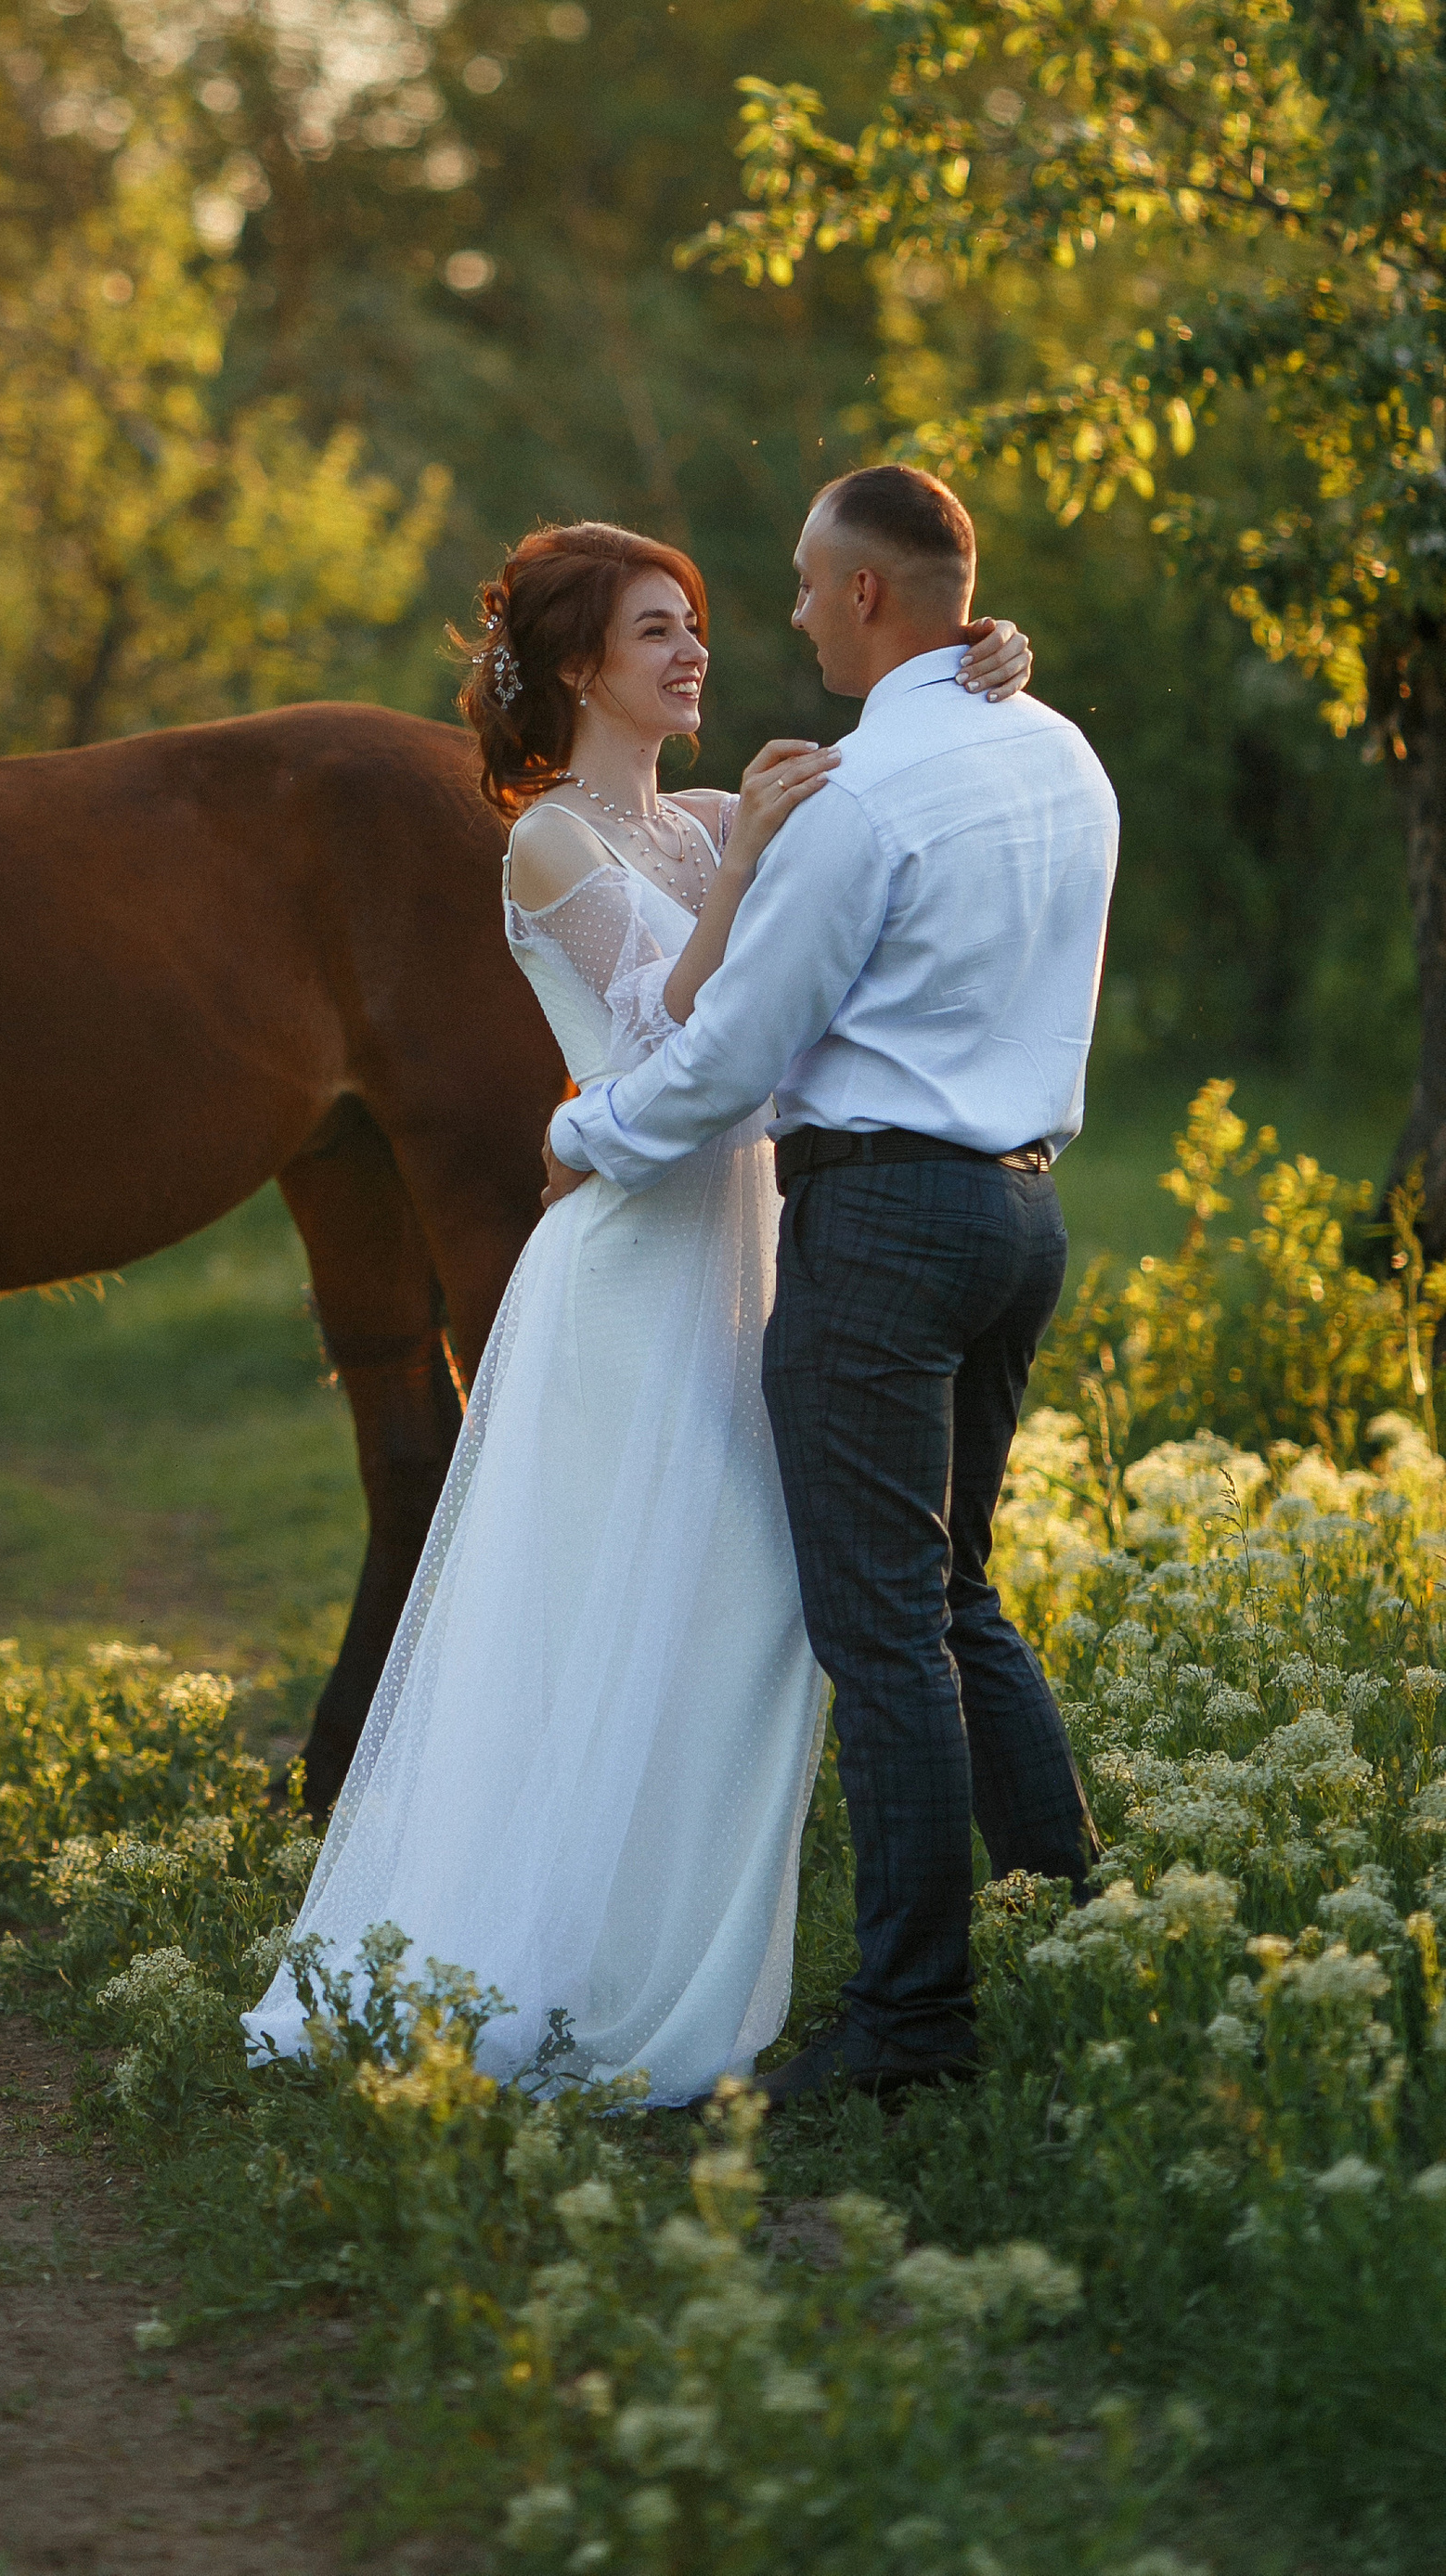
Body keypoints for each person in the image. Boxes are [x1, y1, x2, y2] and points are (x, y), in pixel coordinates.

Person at [240, 516, 1038, 2102]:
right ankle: (541, 1964)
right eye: (659, 631)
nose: (697, 654)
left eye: (699, 624)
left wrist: (988, 664)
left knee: (731, 1612)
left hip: (745, 1240)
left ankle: (676, 1950)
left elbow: (882, 829)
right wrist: (743, 868)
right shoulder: (549, 839)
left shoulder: (711, 813)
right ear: (574, 668)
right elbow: (658, 1025)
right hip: (623, 1259)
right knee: (597, 1614)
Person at [544, 465, 1117, 2101]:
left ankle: (912, 2023)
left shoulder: (867, 799)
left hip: (881, 1230)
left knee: (884, 1635)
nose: (787, 614)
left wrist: (589, 1135)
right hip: (1022, 1217)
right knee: (955, 1596)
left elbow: (731, 1053)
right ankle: (1076, 1928)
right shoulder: (1063, 757)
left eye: (803, 583)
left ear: (869, 595)